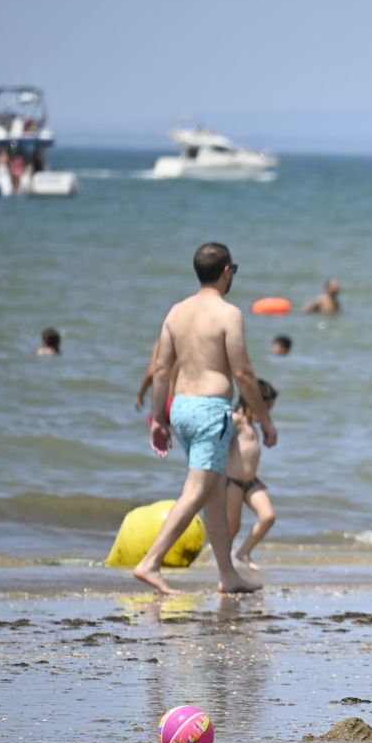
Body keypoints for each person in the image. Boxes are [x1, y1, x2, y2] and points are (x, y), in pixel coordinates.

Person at [133, 243, 276, 595]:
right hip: (211, 409)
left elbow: (162, 368)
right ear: (226, 271)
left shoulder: (175, 312)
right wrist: (264, 420)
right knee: (198, 489)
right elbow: (242, 372)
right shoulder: (228, 314)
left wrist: (158, 418)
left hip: (180, 407)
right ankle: (151, 562)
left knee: (213, 492)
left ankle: (227, 574)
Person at [226, 379, 279, 571]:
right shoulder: (237, 420)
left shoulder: (253, 425)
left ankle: (242, 553)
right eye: (265, 408)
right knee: (232, 528)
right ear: (252, 401)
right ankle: (222, 563)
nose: (267, 413)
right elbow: (218, 439)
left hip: (251, 482)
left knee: (268, 516)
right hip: (231, 482)